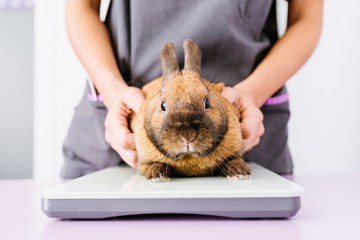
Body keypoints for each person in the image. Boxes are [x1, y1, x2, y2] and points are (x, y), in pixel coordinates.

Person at [61, 0, 323, 178]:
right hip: (120, 124)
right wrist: (113, 90)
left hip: (244, 127)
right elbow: (82, 6)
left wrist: (252, 94)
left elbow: (306, 17)